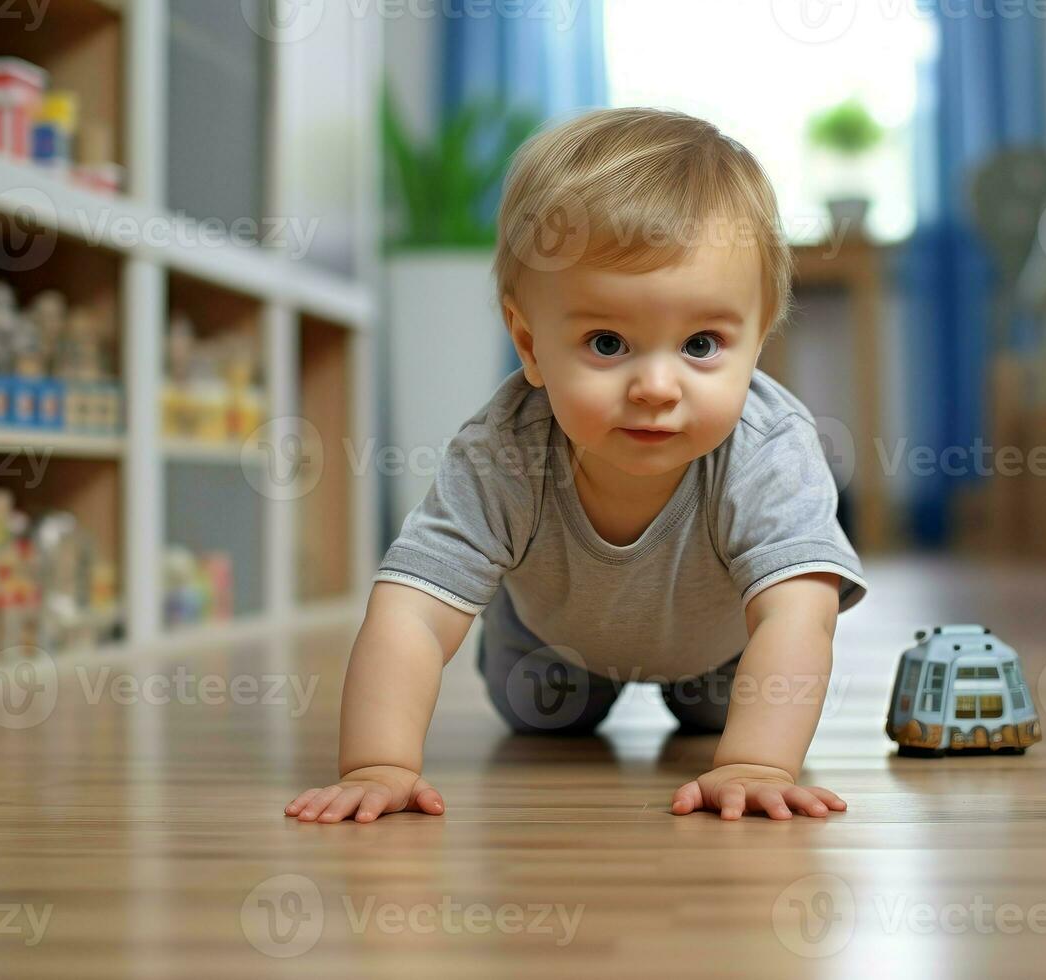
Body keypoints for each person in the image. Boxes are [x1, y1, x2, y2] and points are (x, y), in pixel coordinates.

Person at [286, 107, 867, 823]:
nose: (656, 387)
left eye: (702, 345)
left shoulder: (769, 447)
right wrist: (378, 763)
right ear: (530, 345)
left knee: (724, 717)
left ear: (759, 335)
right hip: (551, 642)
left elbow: (798, 611)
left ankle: (716, 712)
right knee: (544, 719)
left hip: (724, 649)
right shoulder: (505, 450)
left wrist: (756, 762)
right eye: (607, 343)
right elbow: (411, 610)